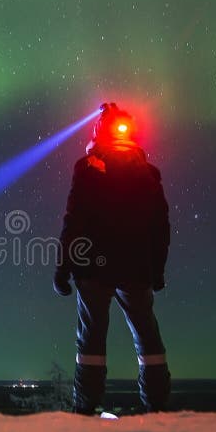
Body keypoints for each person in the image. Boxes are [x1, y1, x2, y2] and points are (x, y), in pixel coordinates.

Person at [53, 103, 171, 414]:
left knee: (91, 341)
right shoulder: (148, 173)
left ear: (99, 131)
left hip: (93, 267)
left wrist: (63, 267)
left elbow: (74, 218)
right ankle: (157, 407)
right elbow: (161, 225)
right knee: (148, 337)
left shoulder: (88, 167)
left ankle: (86, 409)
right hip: (137, 267)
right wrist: (157, 270)